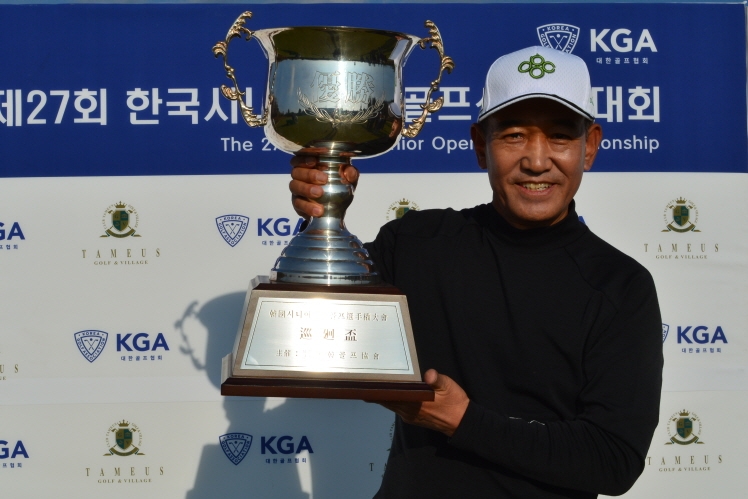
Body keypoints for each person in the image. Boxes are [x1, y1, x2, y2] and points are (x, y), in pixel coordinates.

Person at [290, 46, 663, 498]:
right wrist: (319, 212)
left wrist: (462, 420)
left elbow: (612, 460)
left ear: (590, 147)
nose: (537, 160)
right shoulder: (415, 243)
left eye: (560, 136)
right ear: (481, 146)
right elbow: (318, 317)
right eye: (514, 136)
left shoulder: (620, 285)